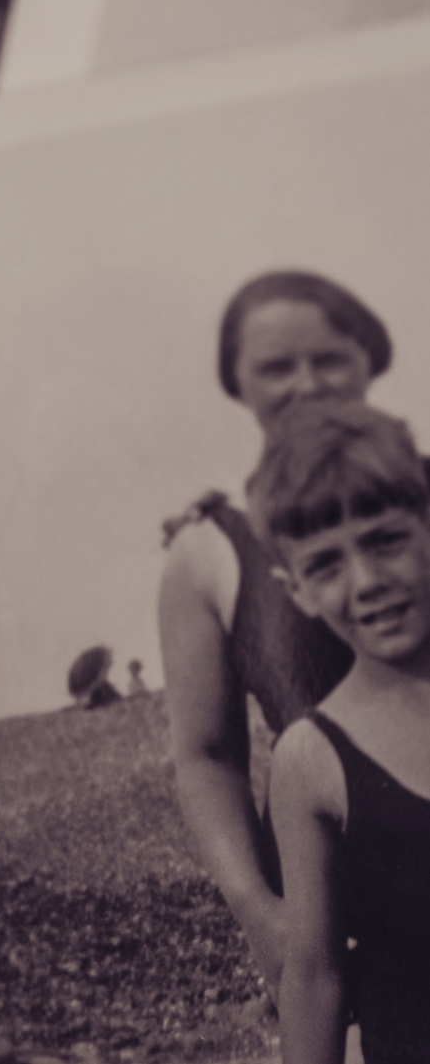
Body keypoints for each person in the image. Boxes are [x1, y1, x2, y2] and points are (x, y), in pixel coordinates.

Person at [158, 271, 393, 1001]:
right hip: (339, 912)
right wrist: (259, 911)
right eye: (276, 368)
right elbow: (206, 755)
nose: (307, 384)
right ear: (238, 383)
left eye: (329, 359)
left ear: (369, 359)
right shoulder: (208, 547)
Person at [246, 400, 430, 1064]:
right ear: (295, 588)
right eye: (325, 564)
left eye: (385, 541)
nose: (367, 581)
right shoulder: (310, 759)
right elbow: (314, 973)